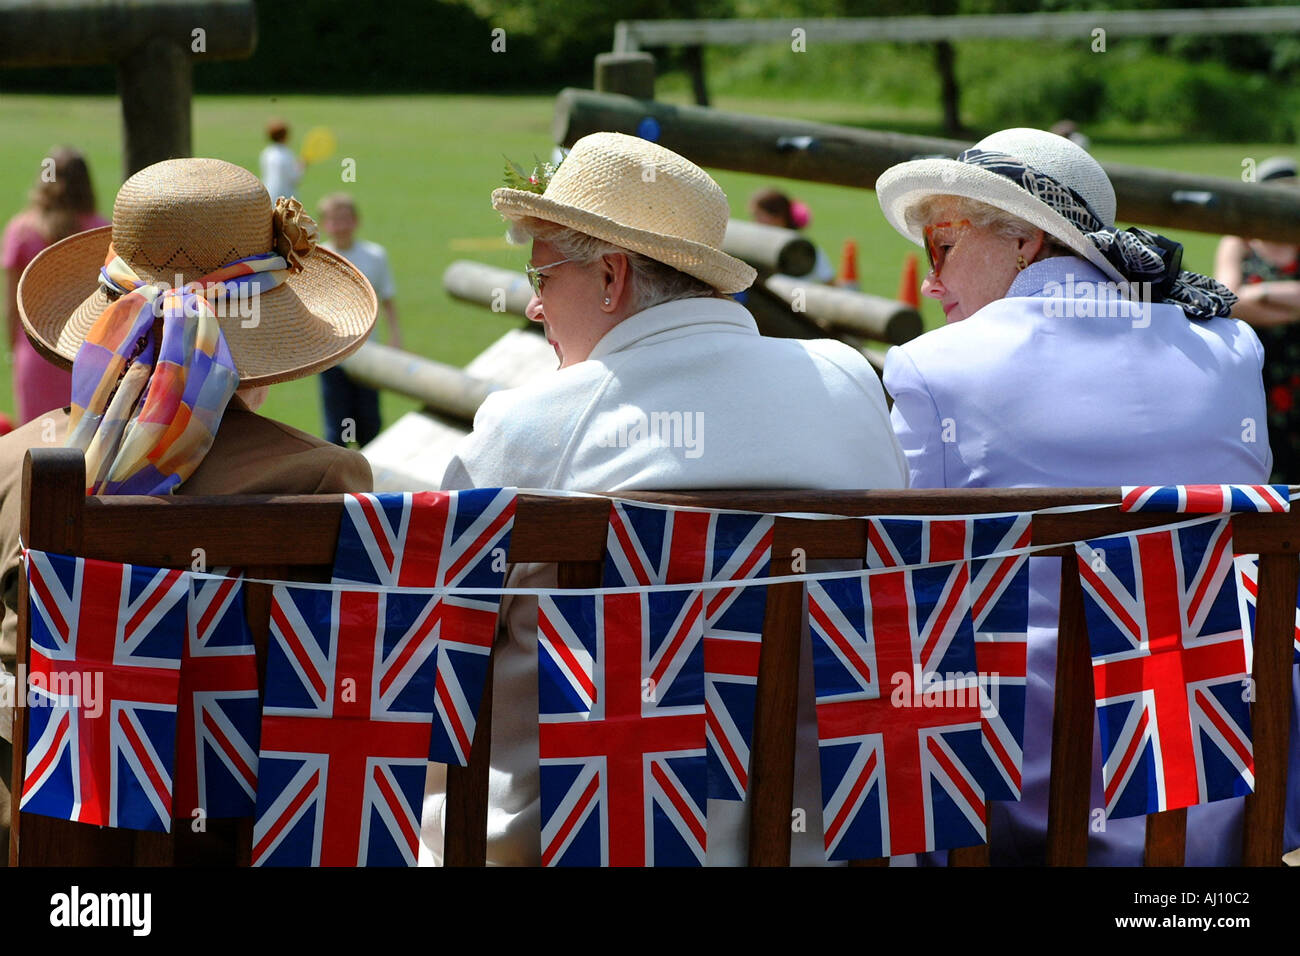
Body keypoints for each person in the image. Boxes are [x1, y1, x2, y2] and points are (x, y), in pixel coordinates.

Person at [421, 131, 908, 866]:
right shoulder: (846, 381)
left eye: (542, 275)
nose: (531, 306)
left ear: (612, 277)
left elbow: (425, 656)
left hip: (573, 847)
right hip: (830, 849)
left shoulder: (532, 428)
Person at [876, 127, 1284, 865]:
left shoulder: (931, 367)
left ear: (1026, 243)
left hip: (1015, 781)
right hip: (1218, 767)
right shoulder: (1230, 347)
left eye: (941, 245)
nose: (931, 281)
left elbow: (905, 574)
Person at [0, 156, 378, 864]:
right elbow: (339, 712)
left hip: (34, 840)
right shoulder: (319, 477)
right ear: (266, 336)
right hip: (230, 844)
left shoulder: (12, 465)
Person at [3, 148, 109, 425]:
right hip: (87, 351)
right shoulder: (101, 230)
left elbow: (12, 306)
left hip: (36, 350)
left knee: (35, 443)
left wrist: (12, 348)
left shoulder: (22, 230)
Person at [1214, 157, 1300, 483]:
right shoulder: (1239, 243)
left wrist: (1260, 294)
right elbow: (1227, 301)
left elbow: (1240, 298)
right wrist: (1287, 303)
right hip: (1258, 368)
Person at [317, 193, 400, 447]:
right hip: (332, 355)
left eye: (345, 219)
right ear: (325, 224)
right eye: (334, 220)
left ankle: (372, 478)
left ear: (356, 221)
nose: (340, 226)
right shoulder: (319, 258)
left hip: (368, 352)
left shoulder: (374, 256)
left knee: (370, 422)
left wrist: (395, 336)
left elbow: (387, 299)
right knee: (336, 426)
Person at [749, 187, 836, 283]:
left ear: (777, 217)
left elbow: (829, 281)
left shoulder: (802, 247)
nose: (754, 222)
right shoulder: (758, 244)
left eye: (758, 216)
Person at [259, 118, 303, 202]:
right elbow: (294, 178)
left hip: (268, 194)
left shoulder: (266, 153)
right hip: (286, 197)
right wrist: (301, 166)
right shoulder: (287, 154)